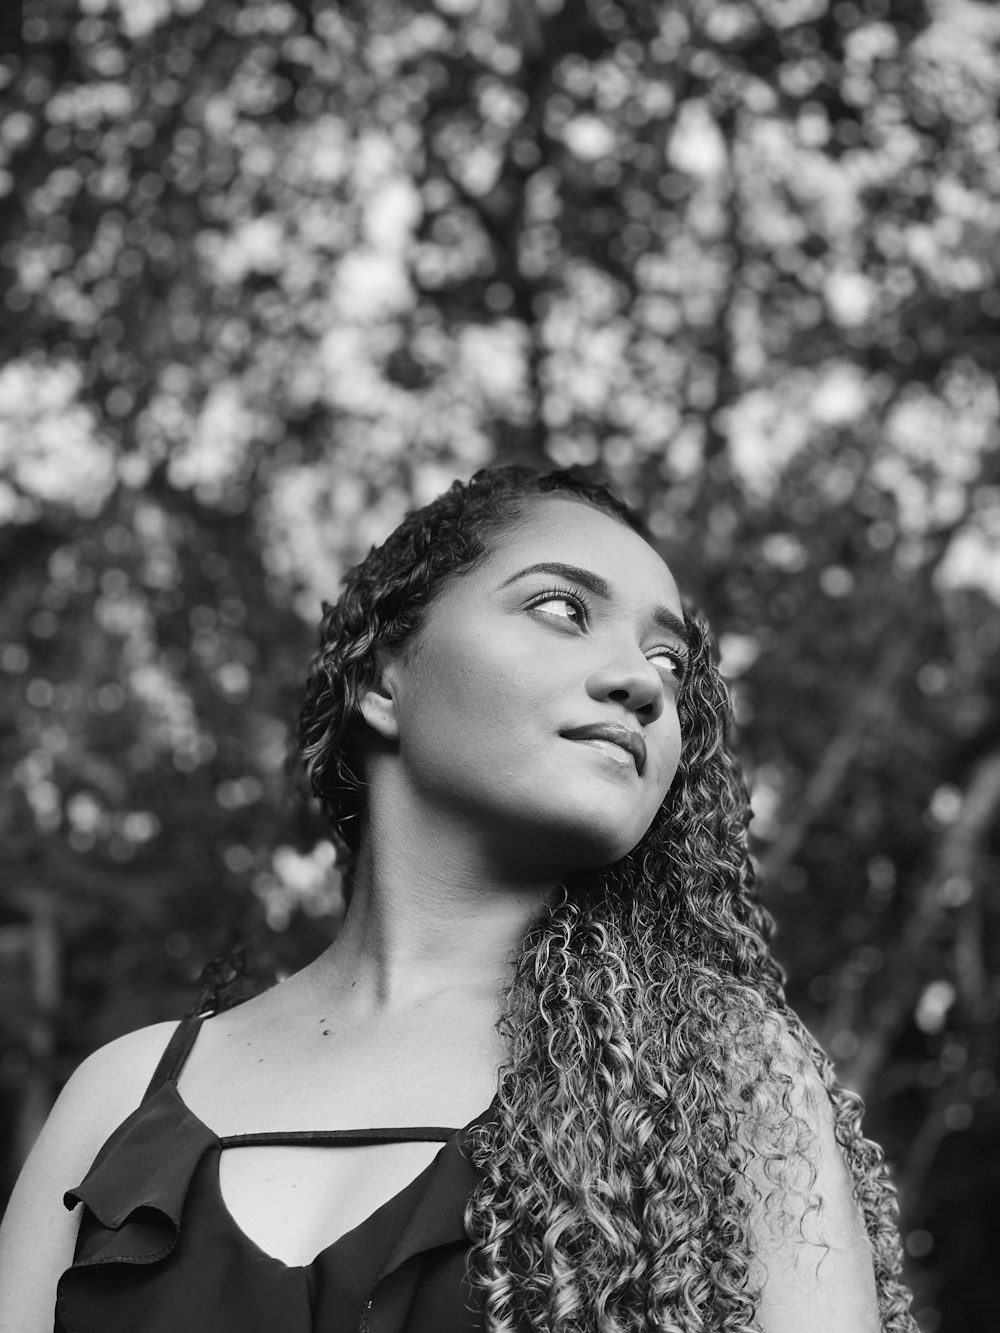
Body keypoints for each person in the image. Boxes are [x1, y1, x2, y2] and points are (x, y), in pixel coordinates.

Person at [0, 465, 914, 1333]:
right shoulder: (119, 1097)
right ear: (381, 679)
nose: (643, 683)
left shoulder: (728, 1079)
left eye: (670, 662)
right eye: (563, 608)